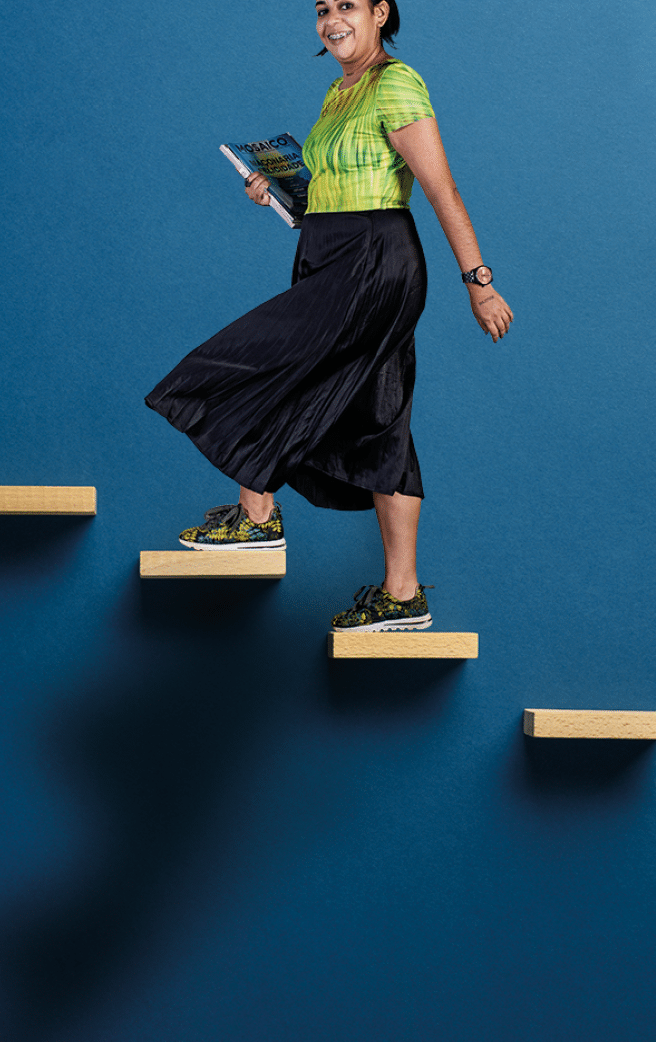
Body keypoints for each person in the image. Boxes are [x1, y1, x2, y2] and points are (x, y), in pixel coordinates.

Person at [146, 0, 512, 632]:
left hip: (373, 260)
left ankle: (257, 518)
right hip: (326, 252)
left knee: (265, 363)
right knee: (380, 419)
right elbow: (333, 190)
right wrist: (279, 193)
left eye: (347, 5)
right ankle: (403, 597)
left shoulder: (396, 83)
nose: (331, 19)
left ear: (380, 13)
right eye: (322, 9)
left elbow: (438, 186)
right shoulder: (338, 90)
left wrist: (478, 281)